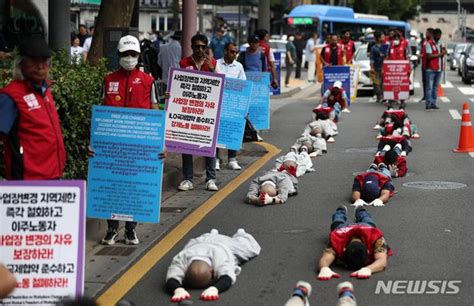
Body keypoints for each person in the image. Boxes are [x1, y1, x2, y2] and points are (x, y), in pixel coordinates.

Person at [99, 35, 158, 246]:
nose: (129, 57)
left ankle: (131, 230)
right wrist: (95, 143)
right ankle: (112, 229)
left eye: (133, 54)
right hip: (113, 144)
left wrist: (161, 143)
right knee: (113, 186)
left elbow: (154, 109)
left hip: (139, 145)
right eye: (125, 54)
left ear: (138, 55)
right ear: (119, 55)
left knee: (134, 185)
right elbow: (101, 114)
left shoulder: (148, 80)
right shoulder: (108, 80)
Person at [0, 37, 66, 180]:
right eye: (34, 60)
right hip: (27, 180)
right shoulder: (11, 96)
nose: (40, 66)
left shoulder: (45, 89)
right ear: (21, 63)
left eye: (44, 60)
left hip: (53, 175)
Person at [166, 229, 261, 302]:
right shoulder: (181, 257)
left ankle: (241, 234)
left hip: (225, 244)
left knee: (251, 249)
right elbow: (171, 279)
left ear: (212, 270)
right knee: (209, 236)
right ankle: (213, 233)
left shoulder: (219, 257)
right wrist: (177, 289)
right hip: (201, 240)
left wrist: (215, 288)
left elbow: (227, 277)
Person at [178, 33, 218, 192]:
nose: (200, 49)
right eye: (197, 46)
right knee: (186, 143)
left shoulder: (213, 63)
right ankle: (188, 178)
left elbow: (219, 86)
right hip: (189, 110)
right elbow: (179, 85)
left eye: (203, 47)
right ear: (192, 47)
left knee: (209, 143)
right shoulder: (183, 63)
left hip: (208, 111)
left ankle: (211, 178)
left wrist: (213, 70)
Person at [317, 206, 391, 280]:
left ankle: (356, 211)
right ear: (368, 251)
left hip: (363, 228)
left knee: (367, 221)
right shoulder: (337, 239)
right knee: (337, 223)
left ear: (344, 249)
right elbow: (381, 260)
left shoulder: (375, 238)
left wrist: (324, 267)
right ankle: (343, 211)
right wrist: (324, 268)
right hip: (346, 229)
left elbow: (326, 257)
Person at [215, 42, 246, 171]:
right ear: (225, 51)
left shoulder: (238, 66)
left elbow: (243, 85)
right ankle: (215, 159)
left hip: (233, 104)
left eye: (236, 52)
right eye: (232, 51)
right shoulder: (216, 64)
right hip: (218, 103)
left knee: (233, 130)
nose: (234, 54)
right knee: (217, 132)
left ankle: (232, 159)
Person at [425, 28, 446, 110]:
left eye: (440, 35)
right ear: (434, 35)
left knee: (435, 88)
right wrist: (441, 54)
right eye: (437, 35)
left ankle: (433, 103)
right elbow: (429, 56)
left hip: (439, 69)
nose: (438, 37)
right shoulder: (429, 44)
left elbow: (442, 54)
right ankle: (428, 103)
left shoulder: (440, 43)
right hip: (430, 69)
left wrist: (444, 53)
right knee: (429, 88)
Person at [370, 31, 388, 103]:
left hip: (385, 67)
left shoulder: (386, 46)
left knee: (384, 83)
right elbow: (371, 58)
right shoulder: (373, 48)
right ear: (378, 38)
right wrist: (371, 67)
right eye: (382, 37)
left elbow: (387, 56)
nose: (384, 38)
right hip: (376, 67)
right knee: (376, 83)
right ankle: (378, 96)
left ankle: (384, 96)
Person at [419, 28, 434, 103]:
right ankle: (425, 96)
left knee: (429, 83)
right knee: (424, 81)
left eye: (427, 33)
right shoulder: (424, 42)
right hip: (424, 64)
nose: (426, 34)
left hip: (430, 65)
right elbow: (422, 50)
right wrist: (420, 55)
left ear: (430, 34)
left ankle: (430, 97)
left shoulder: (432, 42)